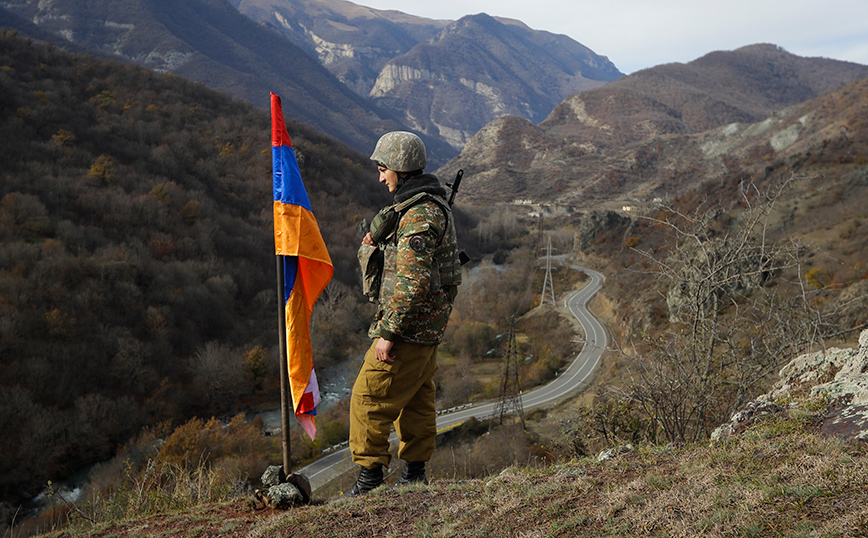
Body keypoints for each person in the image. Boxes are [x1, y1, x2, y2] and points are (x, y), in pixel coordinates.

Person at [345, 131, 461, 496]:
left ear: (400, 168)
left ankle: (369, 482)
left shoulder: (418, 214)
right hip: (425, 330)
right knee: (415, 400)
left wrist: (389, 333)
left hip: (408, 330)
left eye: (383, 169)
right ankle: (414, 476)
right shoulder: (423, 206)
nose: (381, 177)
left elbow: (412, 281)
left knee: (368, 398)